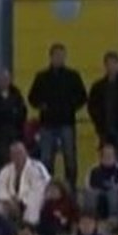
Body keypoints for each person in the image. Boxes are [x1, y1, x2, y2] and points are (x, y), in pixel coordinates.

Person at [27, 43, 88, 187]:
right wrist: (42, 106)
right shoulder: (41, 77)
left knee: (70, 159)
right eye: (56, 56)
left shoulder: (73, 76)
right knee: (46, 159)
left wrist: (71, 107)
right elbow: (32, 97)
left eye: (62, 56)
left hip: (67, 122)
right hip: (47, 124)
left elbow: (82, 96)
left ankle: (70, 189)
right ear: (51, 57)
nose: (59, 59)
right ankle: (46, 189)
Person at [0, 140, 51, 226]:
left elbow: (38, 190)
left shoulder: (36, 167)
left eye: (20, 153)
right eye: (14, 154)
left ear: (26, 153)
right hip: (11, 202)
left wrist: (21, 202)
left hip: (31, 201)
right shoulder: (6, 170)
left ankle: (29, 229)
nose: (17, 156)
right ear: (10, 156)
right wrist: (9, 201)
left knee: (33, 206)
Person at [0, 68, 28, 167]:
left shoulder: (16, 94)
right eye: (1, 79)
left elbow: (22, 112)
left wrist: (8, 111)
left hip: (16, 133)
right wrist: (10, 111)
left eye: (6, 79)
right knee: (3, 160)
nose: (4, 81)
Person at [83, 142, 118, 221]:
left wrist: (111, 188)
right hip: (98, 192)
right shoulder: (93, 169)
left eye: (110, 154)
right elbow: (87, 185)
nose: (108, 156)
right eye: (105, 154)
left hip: (114, 192)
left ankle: (113, 219)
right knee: (90, 194)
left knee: (113, 193)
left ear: (115, 156)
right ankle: (90, 218)